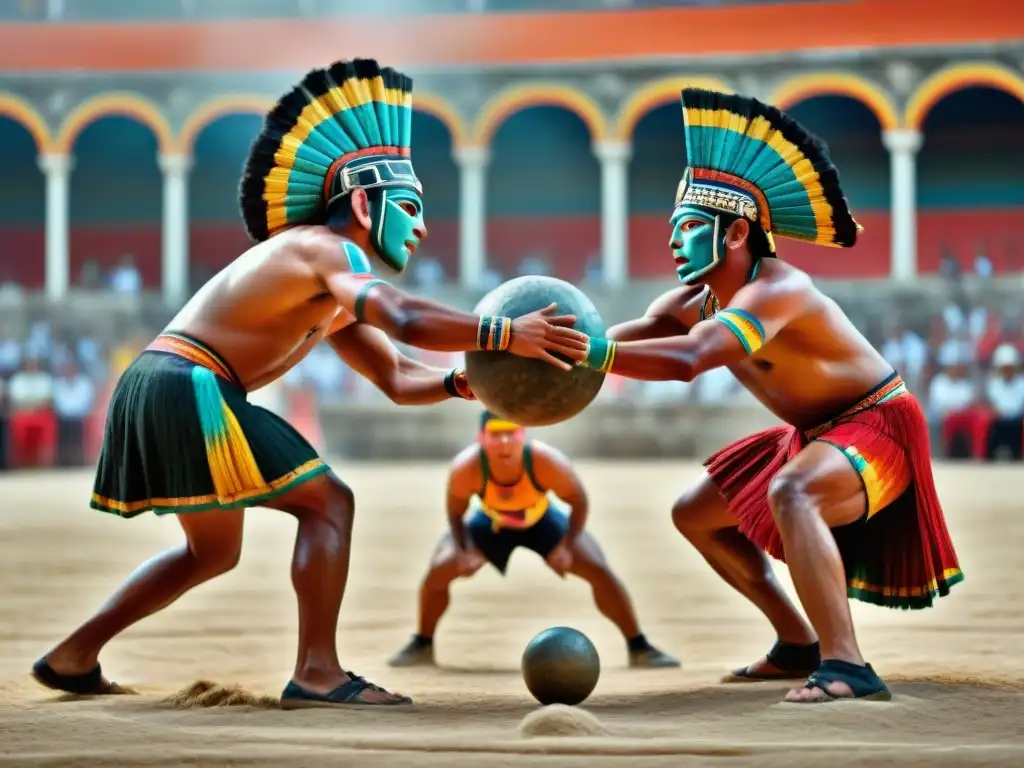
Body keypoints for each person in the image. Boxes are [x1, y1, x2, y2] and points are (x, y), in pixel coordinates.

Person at [32, 59, 588, 709]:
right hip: (189, 383)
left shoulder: (330, 295)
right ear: (360, 202)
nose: (421, 227)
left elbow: (399, 377)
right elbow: (405, 317)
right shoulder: (328, 250)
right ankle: (317, 672)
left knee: (210, 554)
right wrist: (500, 333)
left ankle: (73, 656)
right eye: (408, 207)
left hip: (164, 382)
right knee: (330, 503)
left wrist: (467, 381)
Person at [569, 89, 962, 703]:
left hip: (877, 424)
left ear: (736, 233)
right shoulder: (691, 301)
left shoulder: (780, 288)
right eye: (673, 229)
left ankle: (847, 666)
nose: (673, 242)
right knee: (694, 513)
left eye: (690, 227)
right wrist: (525, 348)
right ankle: (796, 642)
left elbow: (691, 359)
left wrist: (590, 354)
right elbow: (605, 343)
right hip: (812, 434)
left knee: (793, 490)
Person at [388, 411, 680, 669]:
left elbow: (579, 502)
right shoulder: (466, 469)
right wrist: (464, 551)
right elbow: (455, 514)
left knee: (598, 569)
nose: (504, 443)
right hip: (491, 522)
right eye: (495, 435)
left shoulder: (546, 462)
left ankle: (639, 646)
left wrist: (566, 547)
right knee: (439, 570)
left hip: (542, 519)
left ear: (522, 435)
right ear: (482, 438)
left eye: (510, 434)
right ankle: (422, 643)